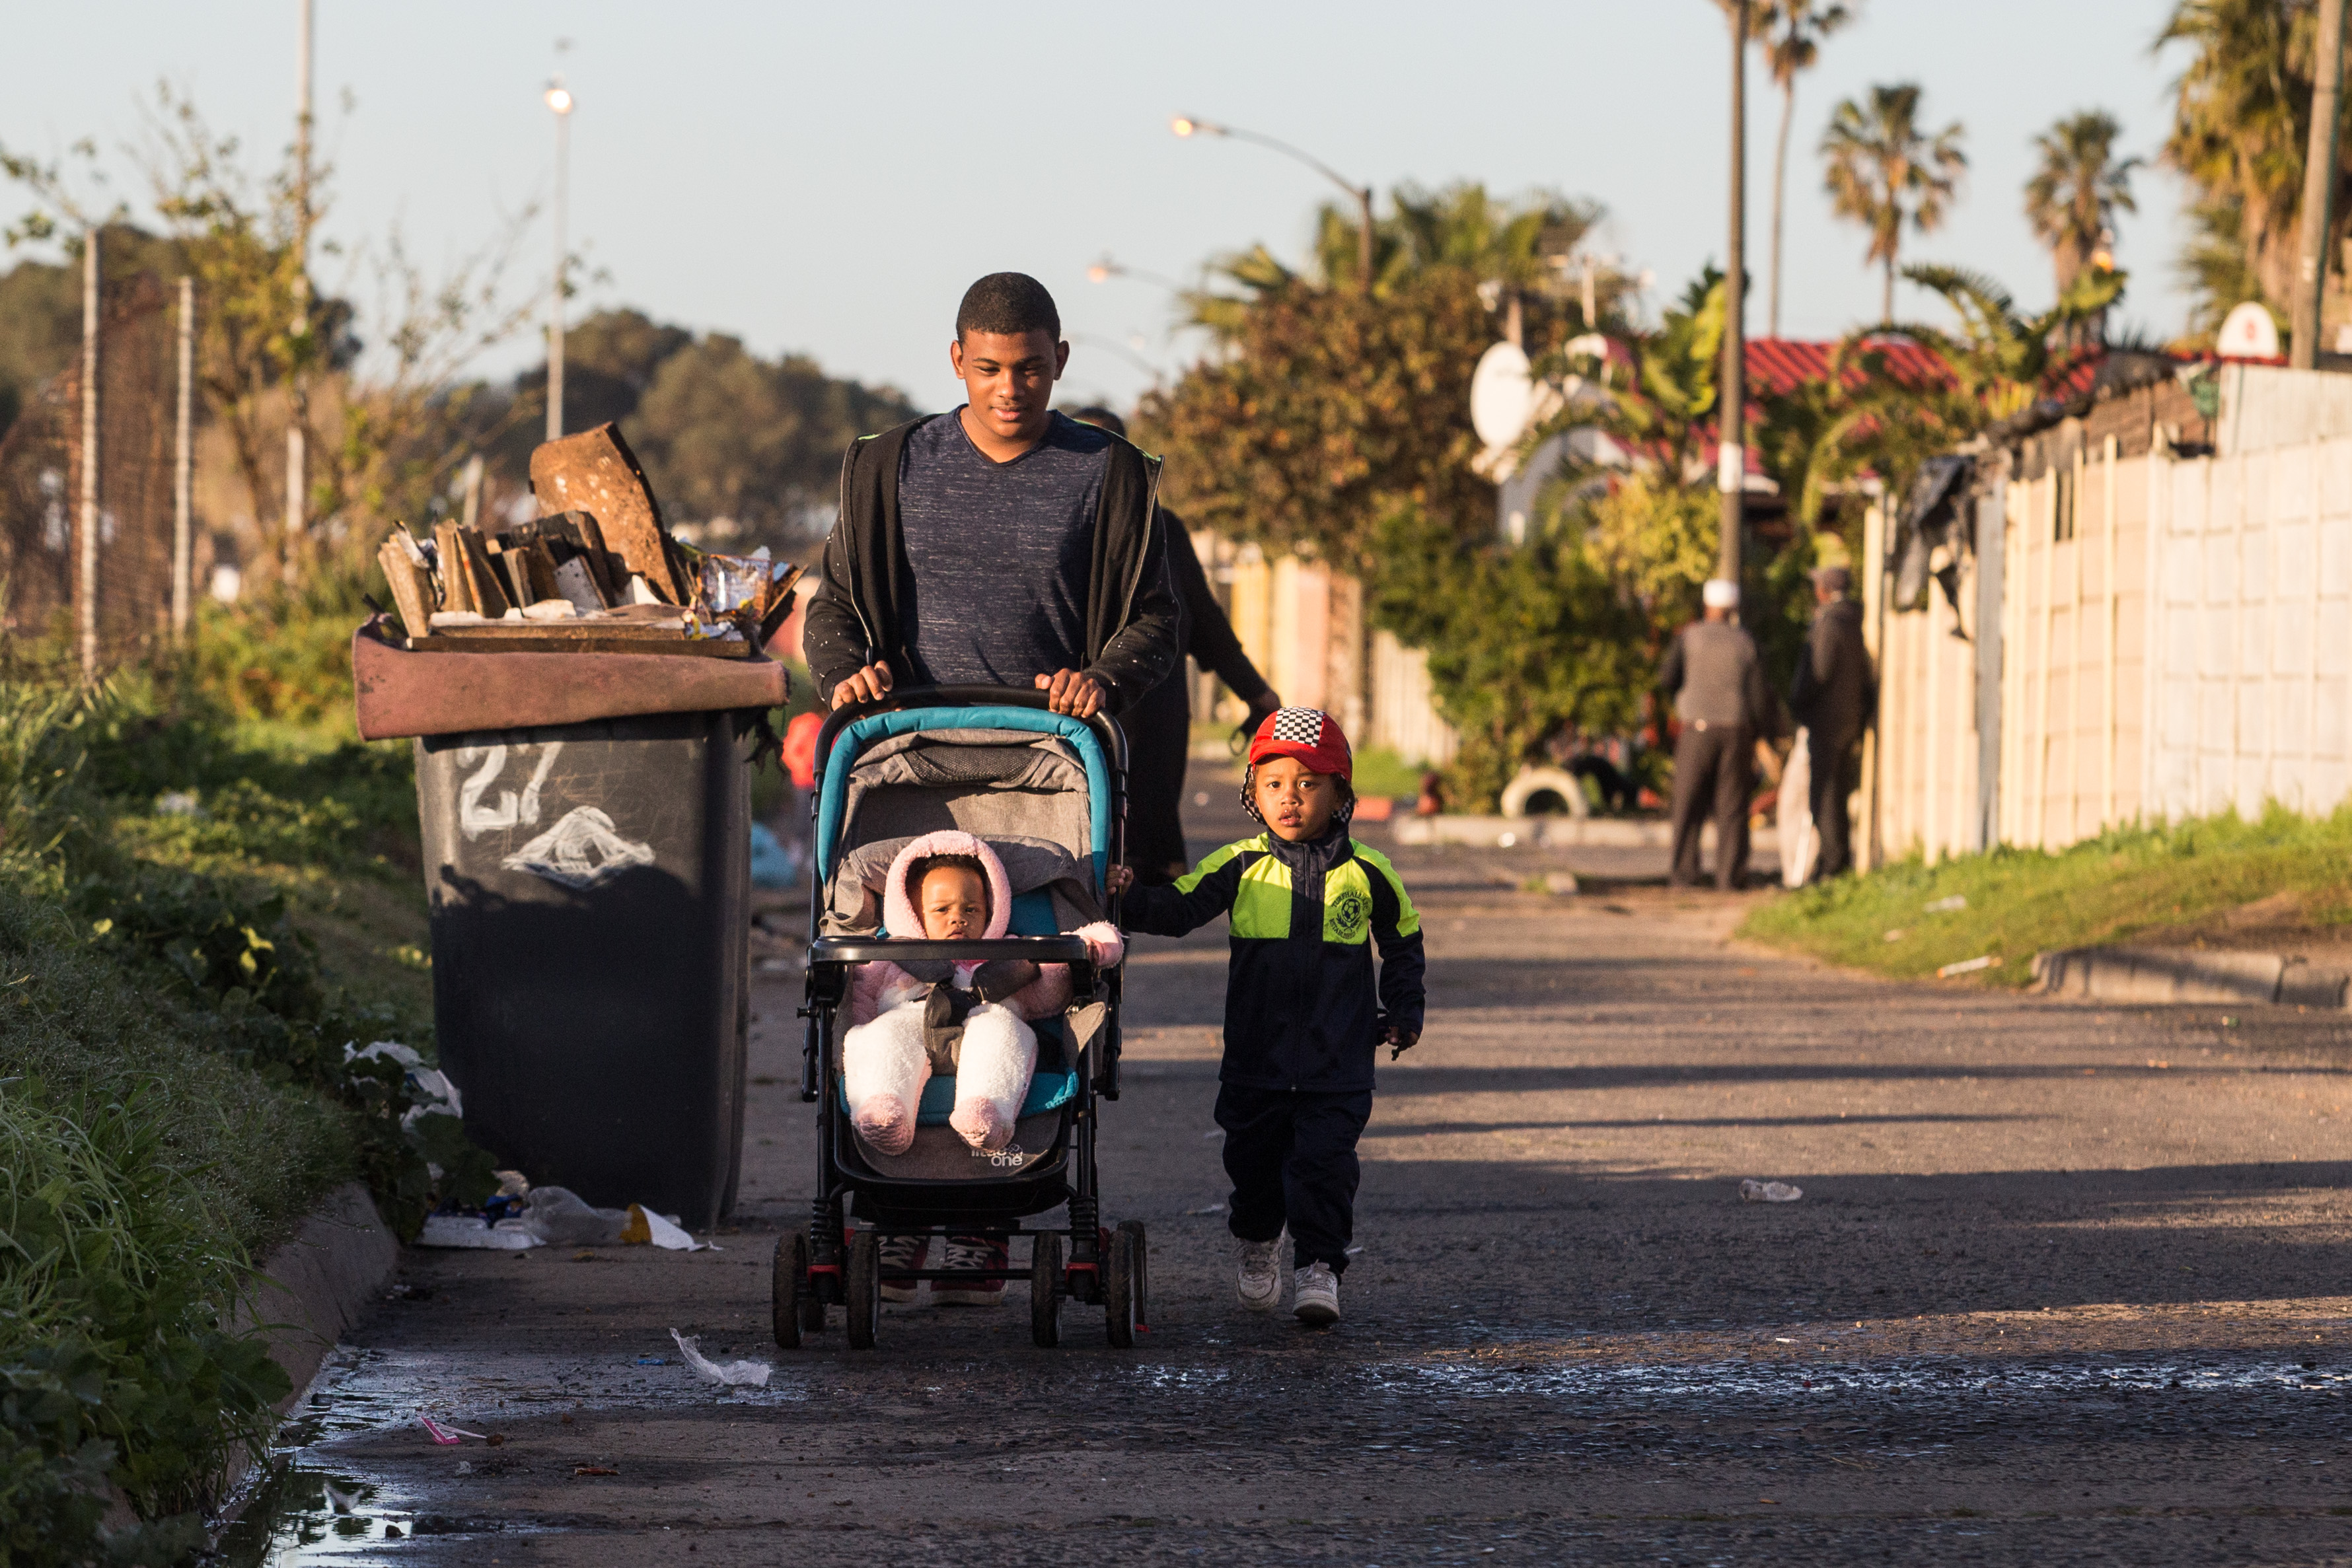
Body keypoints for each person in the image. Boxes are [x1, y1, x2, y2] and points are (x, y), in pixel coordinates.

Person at [1108, 707, 1426, 1327]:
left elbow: (1404, 940)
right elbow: (1178, 910)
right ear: (1253, 793)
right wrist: (1126, 894)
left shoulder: (1369, 871)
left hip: (1339, 1064)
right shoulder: (1241, 862)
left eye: (1309, 785)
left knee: (1325, 1167)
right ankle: (1260, 1242)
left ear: (1340, 794)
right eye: (1275, 784)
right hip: (1256, 1061)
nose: (1291, 799)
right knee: (1253, 1169)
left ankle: (1320, 1268)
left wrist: (1406, 1010)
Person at [801, 273, 1181, 720]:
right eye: (989, 369)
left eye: (1030, 368)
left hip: (1058, 756)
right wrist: (846, 674)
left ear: (1060, 360)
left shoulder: (1115, 473)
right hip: (906, 750)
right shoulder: (886, 466)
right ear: (958, 360)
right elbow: (834, 606)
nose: (1010, 389)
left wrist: (1100, 681)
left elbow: (1154, 621)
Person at [841, 832, 1123, 1307]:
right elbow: (861, 1001)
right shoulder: (894, 956)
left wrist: (1090, 946)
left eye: (972, 909)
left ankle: (984, 1122)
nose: (958, 918)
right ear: (912, 911)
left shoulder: (1011, 953)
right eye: (942, 909)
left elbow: (1053, 983)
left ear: (993, 909)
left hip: (988, 1027)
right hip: (912, 1029)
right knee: (881, 1037)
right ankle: (883, 1111)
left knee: (1003, 1031)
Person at [1069, 406, 1280, 884]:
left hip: (1153, 726)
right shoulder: (1050, 534)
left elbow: (1204, 623)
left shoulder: (1162, 530)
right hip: (1071, 722)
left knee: (1139, 867)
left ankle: (1115, 952)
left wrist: (1257, 694)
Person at [1659, 579, 1775, 890]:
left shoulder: (1688, 638)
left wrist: (1687, 698)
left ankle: (1683, 876)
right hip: (1735, 731)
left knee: (1687, 802)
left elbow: (1667, 677)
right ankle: (1730, 877)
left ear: (1706, 605)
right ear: (1733, 608)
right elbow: (1759, 695)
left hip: (1696, 729)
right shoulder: (1745, 642)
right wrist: (1761, 733)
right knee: (1733, 806)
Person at [1787, 563, 1875, 881]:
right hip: (1847, 721)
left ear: (1824, 590)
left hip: (1826, 722)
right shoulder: (1854, 622)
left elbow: (1817, 672)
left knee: (1823, 795)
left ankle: (1832, 865)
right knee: (1835, 793)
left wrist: (1798, 704)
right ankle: (1835, 861)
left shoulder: (1828, 624)